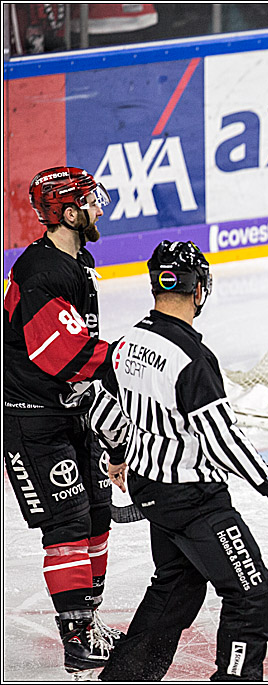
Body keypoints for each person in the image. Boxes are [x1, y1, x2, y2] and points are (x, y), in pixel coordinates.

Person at [88, 240, 268, 680]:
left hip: (150, 490)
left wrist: (116, 455)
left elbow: (101, 410)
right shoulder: (192, 359)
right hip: (194, 500)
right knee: (252, 596)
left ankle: (124, 677)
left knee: (178, 586)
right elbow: (223, 438)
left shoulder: (127, 342)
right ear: (199, 289)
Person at [2, 166, 122, 677]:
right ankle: (76, 639)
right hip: (32, 423)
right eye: (92, 202)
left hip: (69, 413)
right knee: (68, 523)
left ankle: (89, 626)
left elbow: (80, 362)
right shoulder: (42, 273)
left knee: (97, 515)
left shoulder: (78, 261)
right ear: (69, 213)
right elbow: (68, 357)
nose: (100, 209)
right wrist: (130, 359)